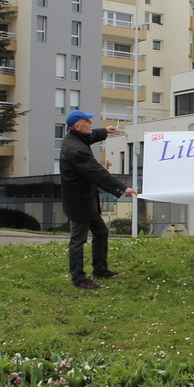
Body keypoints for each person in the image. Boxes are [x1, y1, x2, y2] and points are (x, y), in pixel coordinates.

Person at [60, 110, 137, 289]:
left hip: (86, 200)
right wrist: (122, 188)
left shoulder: (75, 137)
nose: (90, 123)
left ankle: (100, 270)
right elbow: (98, 173)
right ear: (77, 126)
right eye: (87, 121)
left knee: (101, 232)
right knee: (78, 240)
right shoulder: (76, 150)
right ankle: (79, 280)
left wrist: (105, 131)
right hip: (79, 202)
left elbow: (90, 135)